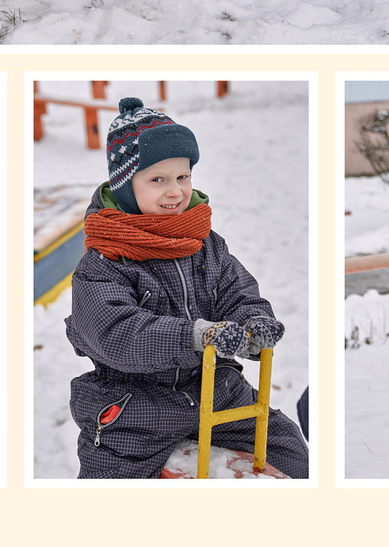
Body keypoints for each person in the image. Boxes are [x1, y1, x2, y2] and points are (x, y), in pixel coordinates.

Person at [64, 98, 309, 478]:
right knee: (113, 475)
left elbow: (235, 289)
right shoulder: (105, 260)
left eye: (183, 177)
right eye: (157, 180)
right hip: (136, 402)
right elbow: (117, 332)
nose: (175, 191)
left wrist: (252, 321)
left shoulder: (204, 241)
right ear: (126, 185)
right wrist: (195, 335)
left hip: (215, 387)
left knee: (286, 448)